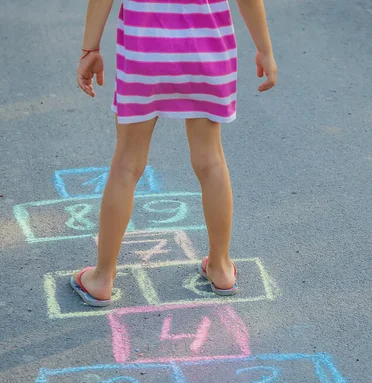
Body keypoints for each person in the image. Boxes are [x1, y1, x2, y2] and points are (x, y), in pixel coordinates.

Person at [71, 0, 277, 306]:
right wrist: (265, 49)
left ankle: (102, 277)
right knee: (211, 161)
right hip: (206, 51)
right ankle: (220, 268)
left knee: (127, 163)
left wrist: (90, 49)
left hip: (145, 52)